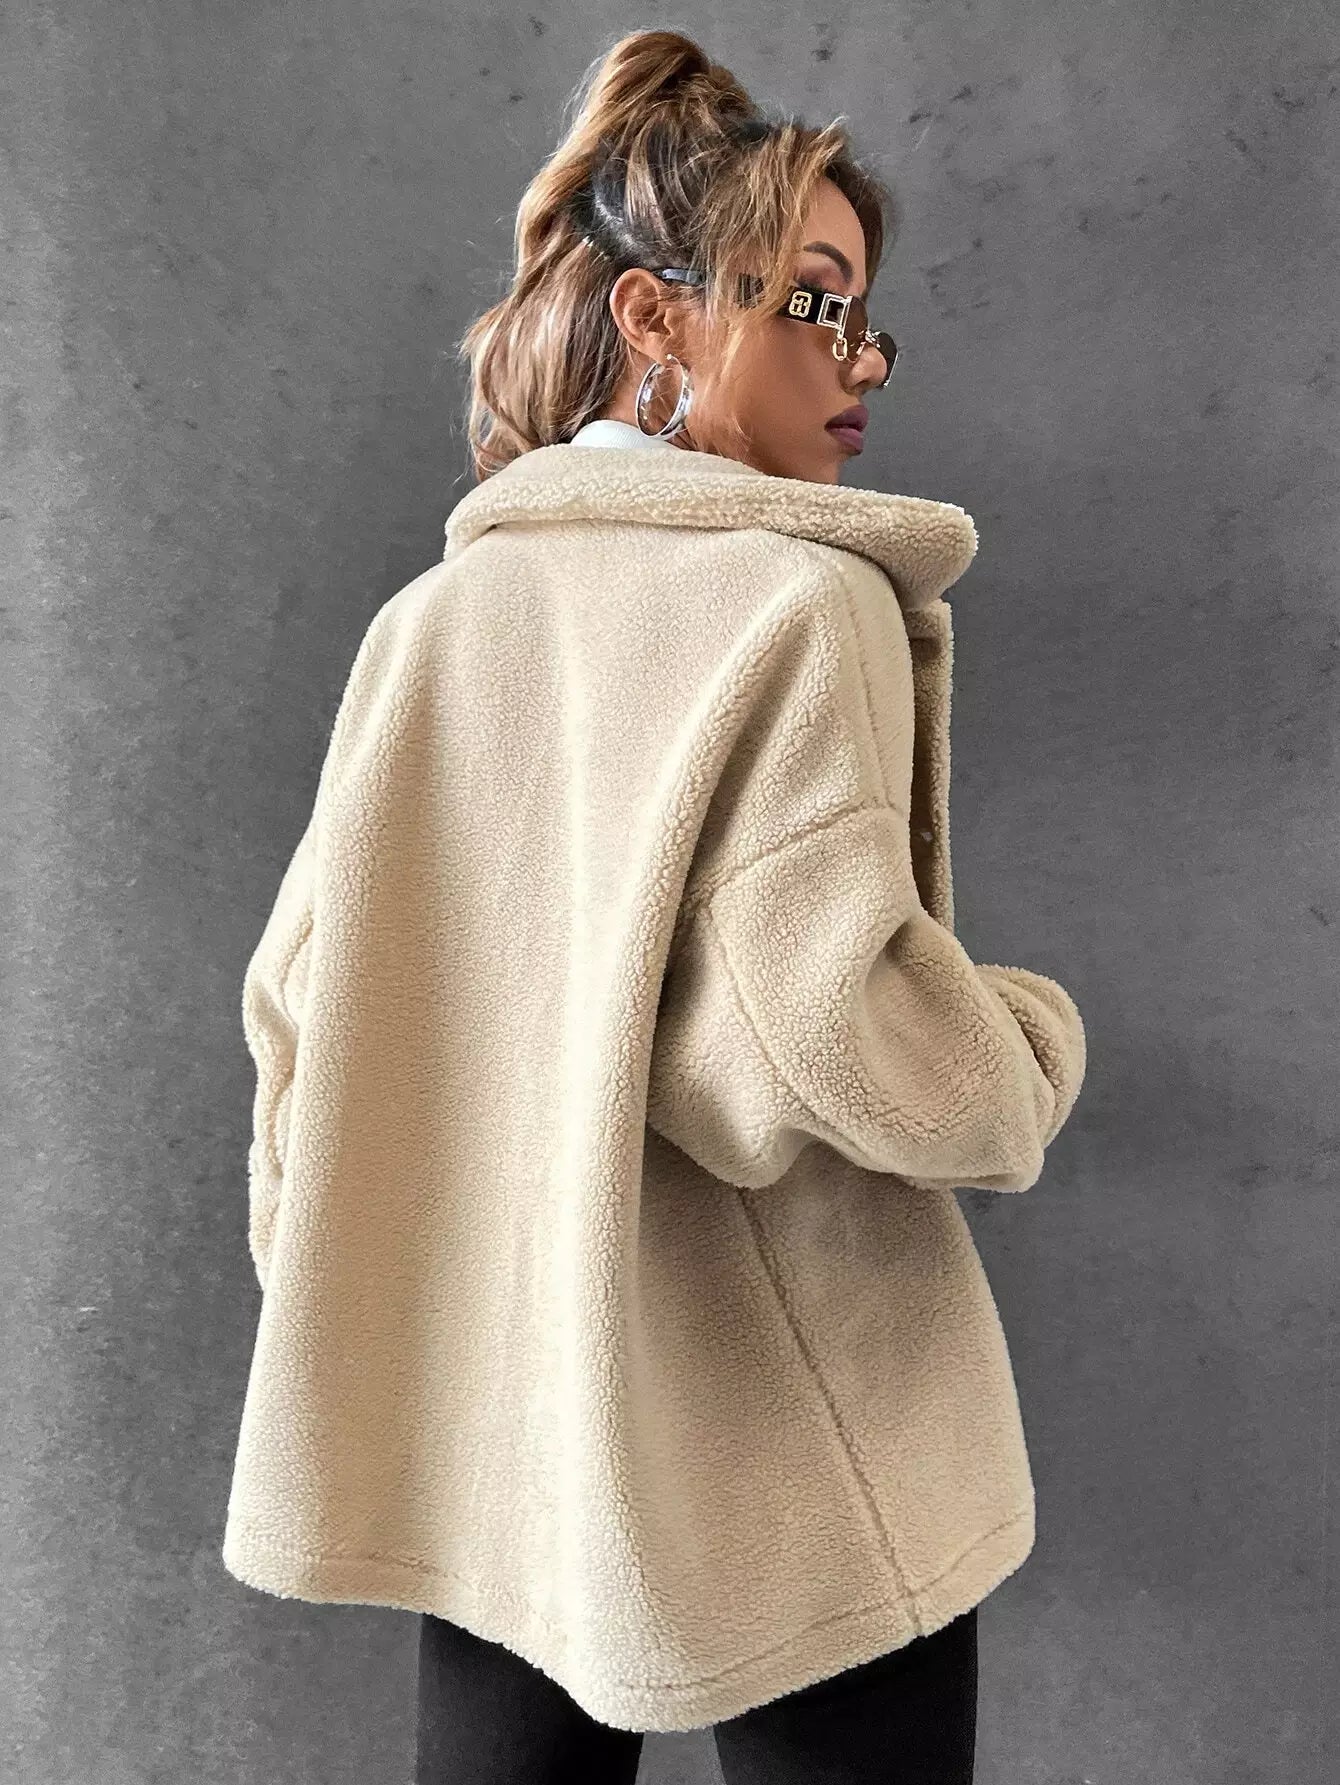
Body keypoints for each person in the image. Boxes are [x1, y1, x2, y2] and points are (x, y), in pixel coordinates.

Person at [222, 27, 1087, 1785]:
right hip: (780, 1433)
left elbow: (298, 1021)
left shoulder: (430, 628)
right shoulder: (798, 604)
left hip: (496, 1415)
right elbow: (829, 1038)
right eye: (815, 301)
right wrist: (1025, 1048)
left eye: (868, 317)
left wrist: (414, 1287)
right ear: (656, 318)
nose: (861, 359)